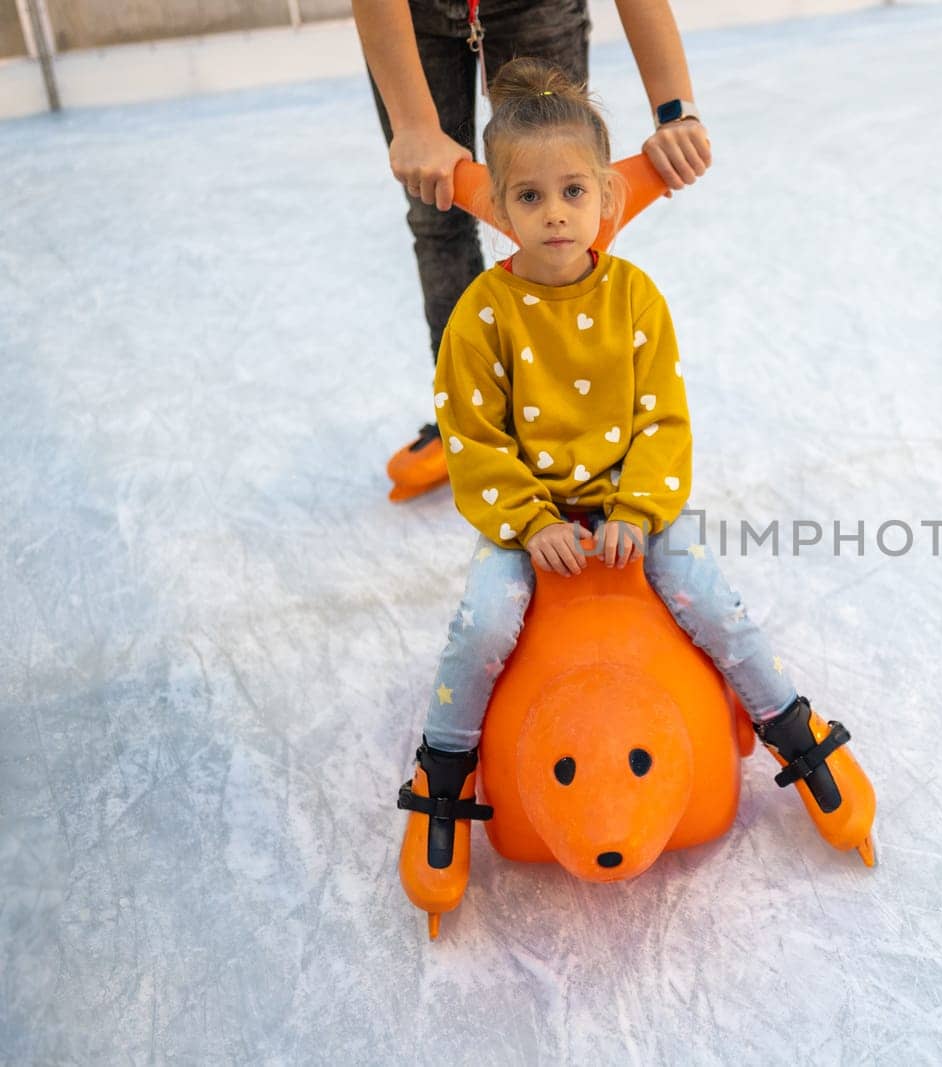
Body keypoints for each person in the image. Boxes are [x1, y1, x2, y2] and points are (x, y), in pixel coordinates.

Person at [394, 60, 874, 913]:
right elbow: (472, 435)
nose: (554, 213)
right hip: (527, 515)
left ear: (607, 201)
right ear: (499, 208)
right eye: (530, 196)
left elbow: (663, 422)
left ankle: (794, 729)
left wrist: (636, 508)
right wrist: (526, 518)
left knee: (707, 594)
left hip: (628, 503)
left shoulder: (636, 299)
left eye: (573, 190)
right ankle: (443, 771)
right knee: (485, 620)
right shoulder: (483, 315)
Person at [352, 0, 714, 498]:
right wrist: (414, 125)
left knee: (567, 183)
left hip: (536, 6)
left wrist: (676, 112)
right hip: (415, 15)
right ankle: (468, 417)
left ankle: (585, 421)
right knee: (436, 210)